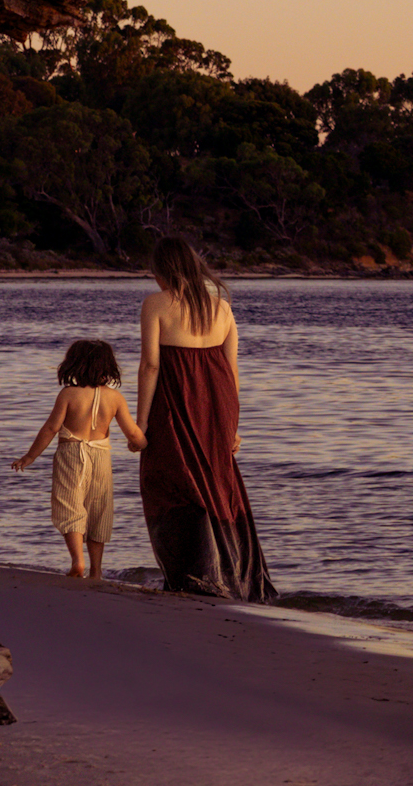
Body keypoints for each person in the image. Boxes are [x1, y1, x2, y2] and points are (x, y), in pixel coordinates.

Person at [136, 236, 276, 600]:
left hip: (174, 403)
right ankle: (230, 575)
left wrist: (141, 421)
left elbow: (151, 365)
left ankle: (194, 575)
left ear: (164, 271)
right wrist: (232, 424)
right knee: (216, 487)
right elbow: (231, 369)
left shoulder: (156, 305)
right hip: (218, 406)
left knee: (168, 480)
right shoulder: (223, 309)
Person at [11, 337, 146, 581]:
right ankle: (96, 569)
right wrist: (140, 446)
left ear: (74, 365)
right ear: (108, 367)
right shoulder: (115, 398)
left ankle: (77, 561)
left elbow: (51, 428)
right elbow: (134, 433)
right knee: (98, 510)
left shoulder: (68, 394)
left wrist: (30, 456)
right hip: (101, 457)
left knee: (69, 504)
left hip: (71, 454)